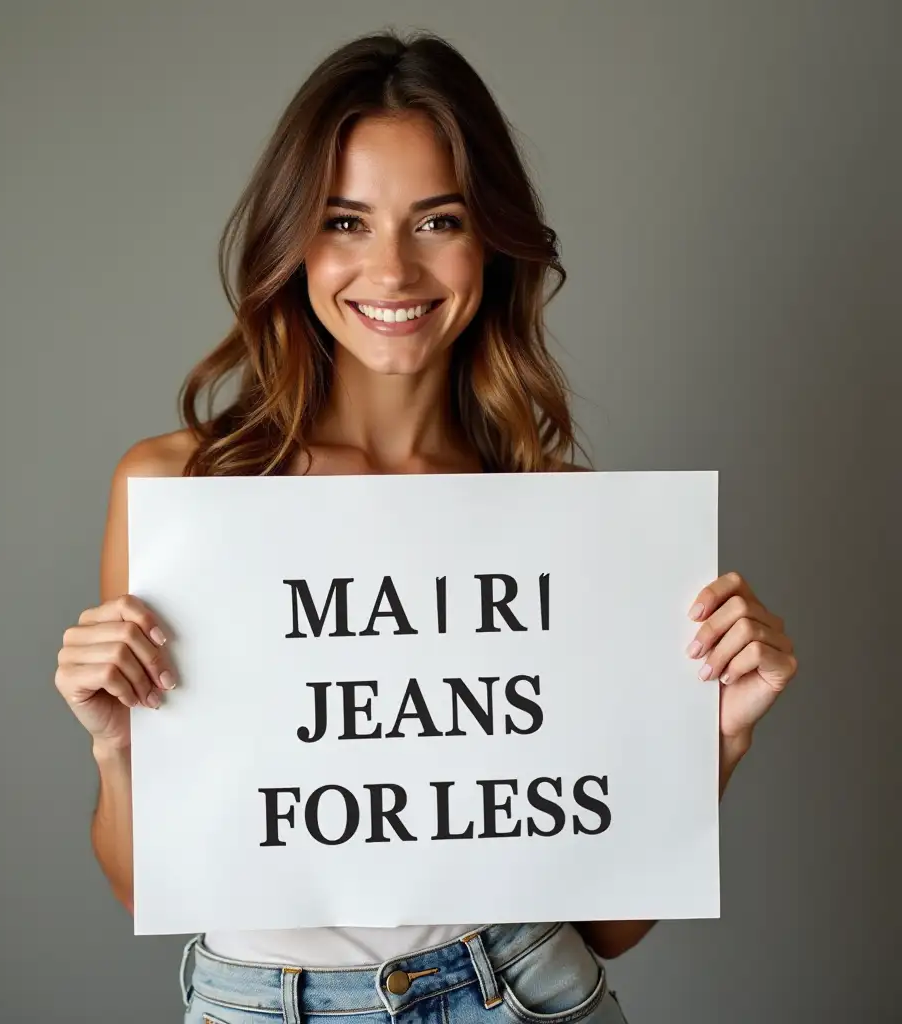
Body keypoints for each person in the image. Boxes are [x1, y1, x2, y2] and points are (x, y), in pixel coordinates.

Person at [54, 30, 798, 1024]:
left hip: (526, 992)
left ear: (489, 236)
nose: (392, 269)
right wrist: (113, 750)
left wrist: (717, 735)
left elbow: (607, 924)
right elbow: (148, 890)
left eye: (436, 219)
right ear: (294, 241)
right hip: (262, 1004)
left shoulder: (565, 524)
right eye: (346, 221)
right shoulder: (181, 492)